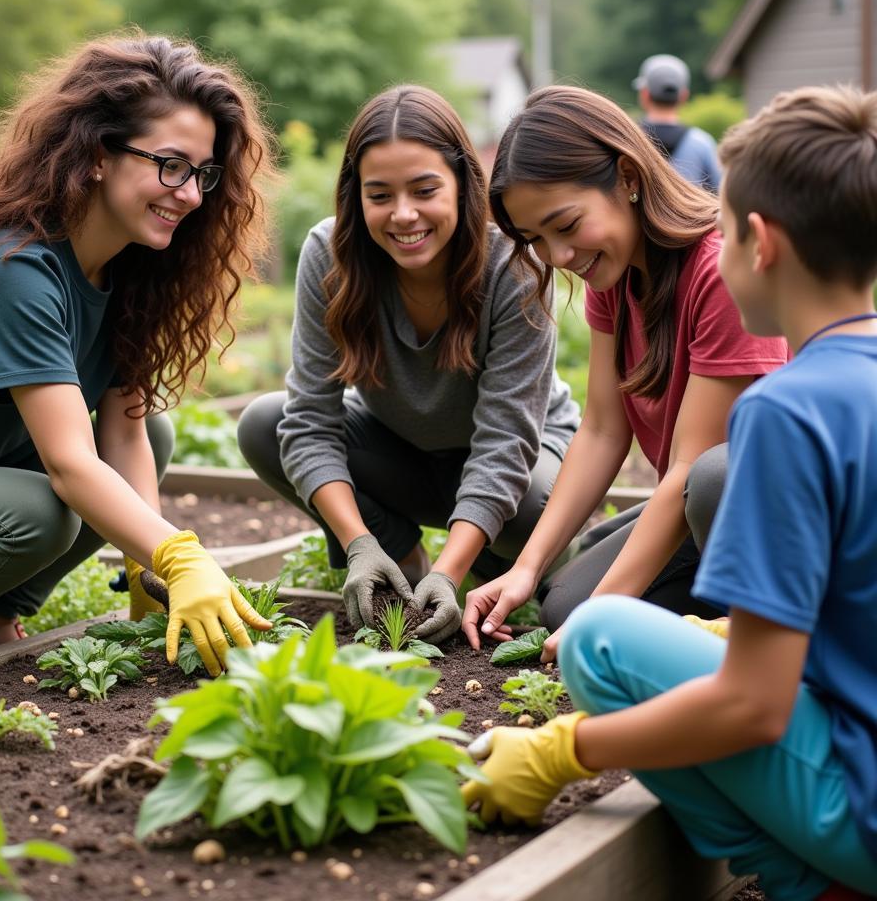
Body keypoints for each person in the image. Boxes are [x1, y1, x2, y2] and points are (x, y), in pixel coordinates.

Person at [461, 85, 877, 901]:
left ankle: (805, 882)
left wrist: (566, 749)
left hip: (860, 816)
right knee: (583, 603)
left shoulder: (787, 412)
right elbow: (604, 432)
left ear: (759, 243)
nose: (557, 254)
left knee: (601, 639)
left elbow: (754, 708)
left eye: (721, 232)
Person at [0, 33, 276, 675]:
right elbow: (70, 466)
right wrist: (182, 556)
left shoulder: (127, 270)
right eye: (170, 164)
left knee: (152, 434)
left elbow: (127, 435)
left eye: (202, 173)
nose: (190, 194)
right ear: (99, 155)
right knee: (47, 510)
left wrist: (147, 567)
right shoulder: (15, 266)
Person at [237, 85, 579, 642]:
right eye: (380, 195)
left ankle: (495, 568)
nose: (403, 214)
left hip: (522, 455)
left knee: (532, 511)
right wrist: (360, 545)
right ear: (356, 196)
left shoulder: (512, 268)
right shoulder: (331, 256)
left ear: (464, 185)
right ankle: (397, 561)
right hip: (402, 448)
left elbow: (505, 442)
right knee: (264, 424)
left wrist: (453, 570)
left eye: (424, 190)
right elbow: (311, 424)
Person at [462, 84, 787, 661]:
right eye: (536, 240)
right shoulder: (614, 276)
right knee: (563, 603)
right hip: (699, 506)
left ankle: (757, 642)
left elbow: (692, 466)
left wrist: (604, 615)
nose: (557, 256)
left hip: (774, 509)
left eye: (565, 225)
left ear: (629, 178)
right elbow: (603, 430)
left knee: (711, 478)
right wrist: (525, 568)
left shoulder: (719, 269)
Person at [634, 53, 721, 192]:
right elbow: (720, 193)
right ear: (683, 96)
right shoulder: (702, 142)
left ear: (645, 94)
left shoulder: (628, 139)